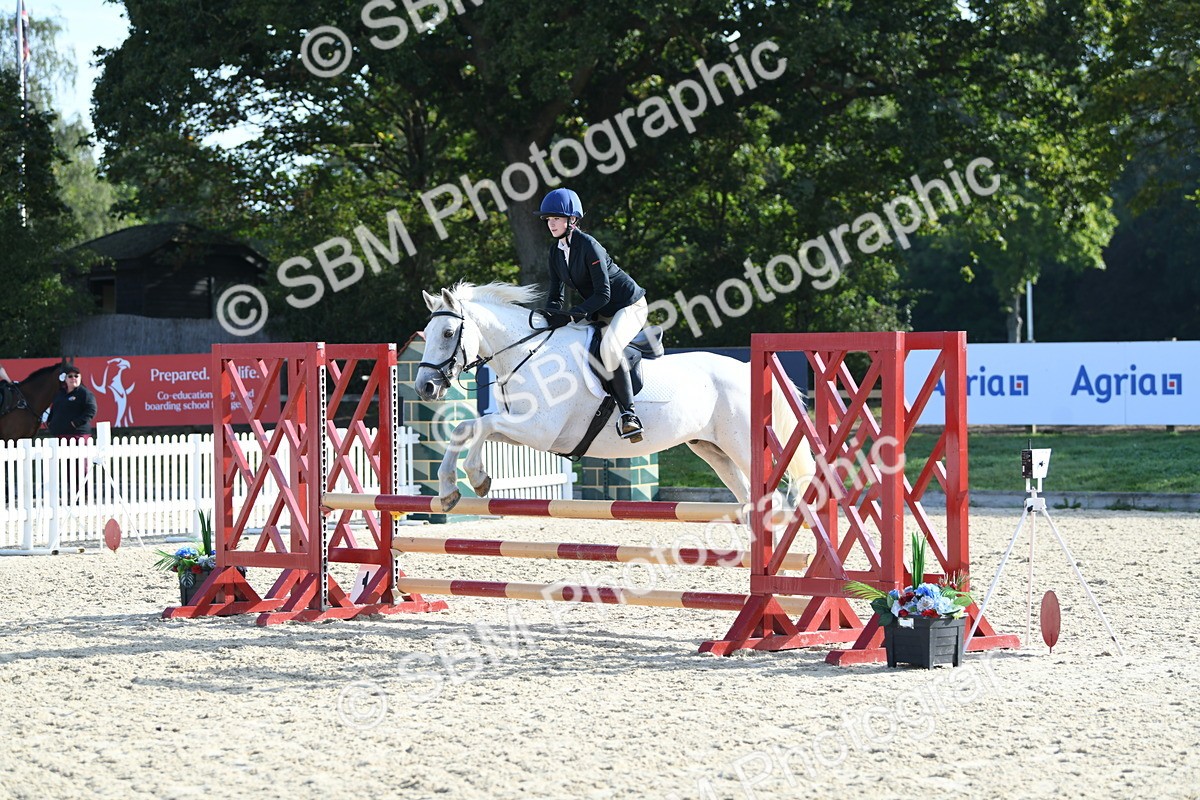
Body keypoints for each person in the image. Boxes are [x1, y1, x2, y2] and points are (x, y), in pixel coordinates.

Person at [537, 188, 649, 440]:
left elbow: (603, 294)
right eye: (548, 219)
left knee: (609, 348)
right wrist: (547, 320)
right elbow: (556, 295)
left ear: (572, 220)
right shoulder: (555, 252)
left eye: (556, 218)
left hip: (627, 305)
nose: (551, 223)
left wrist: (572, 315)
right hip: (599, 310)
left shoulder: (589, 246)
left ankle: (629, 415)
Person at [45, 364, 98, 440]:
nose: (73, 378)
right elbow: (54, 409)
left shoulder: (85, 393)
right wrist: (50, 422)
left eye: (76, 376)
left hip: (79, 435)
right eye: (70, 376)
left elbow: (91, 410)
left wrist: (76, 423)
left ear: (80, 378)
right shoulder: (60, 393)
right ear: (65, 379)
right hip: (60, 435)